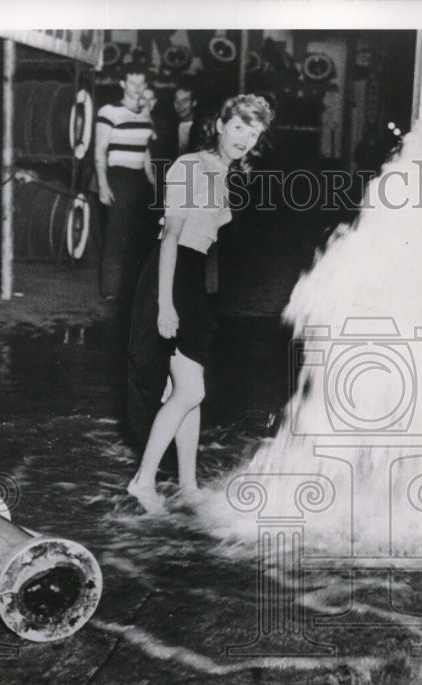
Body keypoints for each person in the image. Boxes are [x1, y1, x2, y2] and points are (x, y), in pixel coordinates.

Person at [126, 94, 274, 513]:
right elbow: (170, 238)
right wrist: (164, 304)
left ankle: (188, 484)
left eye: (254, 133)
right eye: (239, 127)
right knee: (191, 389)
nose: (245, 138)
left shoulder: (227, 174)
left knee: (188, 391)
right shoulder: (190, 166)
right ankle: (142, 482)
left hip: (193, 280)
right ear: (221, 125)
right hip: (172, 276)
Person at [94, 64, 156, 305]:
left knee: (139, 236)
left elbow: (145, 151)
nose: (137, 88)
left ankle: (133, 288)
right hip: (118, 177)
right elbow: (99, 150)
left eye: (141, 84)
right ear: (122, 84)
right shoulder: (109, 111)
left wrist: (152, 182)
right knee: (117, 236)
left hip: (139, 178)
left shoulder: (145, 114)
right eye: (132, 83)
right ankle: (110, 290)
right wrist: (103, 185)